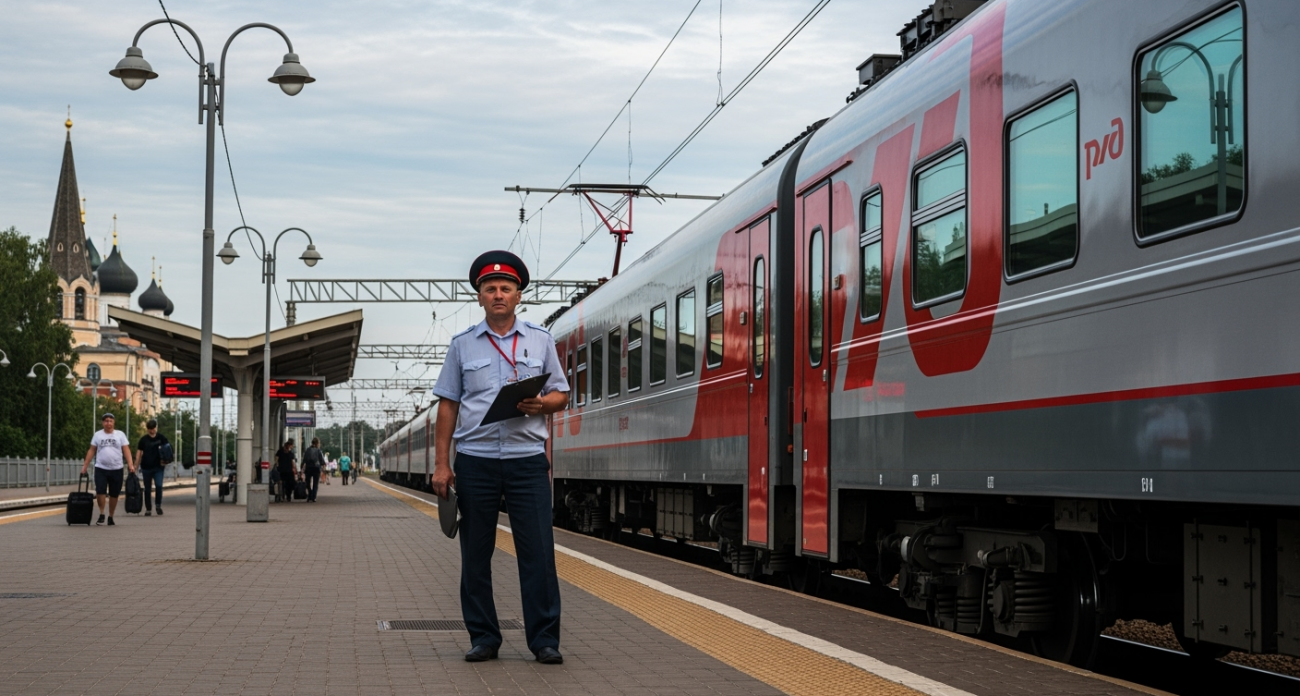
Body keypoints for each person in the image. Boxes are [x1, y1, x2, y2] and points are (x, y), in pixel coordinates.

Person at [432, 250, 569, 665]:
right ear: (479, 297)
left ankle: (544, 640)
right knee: (476, 554)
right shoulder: (461, 346)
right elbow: (448, 407)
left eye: (505, 288)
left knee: (539, 554)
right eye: (489, 288)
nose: (497, 294)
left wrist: (543, 405)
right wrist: (442, 464)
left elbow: (562, 393)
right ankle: (484, 638)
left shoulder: (541, 340)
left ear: (518, 295)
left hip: (527, 460)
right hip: (476, 461)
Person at [80, 413, 135, 526]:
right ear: (102, 423)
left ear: (113, 422)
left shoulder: (120, 435)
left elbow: (126, 450)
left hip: (117, 468)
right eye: (106, 421)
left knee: (114, 494)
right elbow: (92, 450)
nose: (108, 423)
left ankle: (111, 516)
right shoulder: (98, 435)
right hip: (101, 468)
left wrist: (130, 464)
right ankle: (101, 514)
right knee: (100, 491)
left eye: (110, 421)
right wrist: (85, 465)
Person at [134, 419, 171, 516]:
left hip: (158, 467)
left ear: (156, 427)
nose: (152, 431)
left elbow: (168, 450)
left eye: (153, 428)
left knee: (159, 486)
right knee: (147, 488)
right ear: (147, 429)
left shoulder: (161, 438)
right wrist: (135, 466)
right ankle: (148, 509)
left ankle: (158, 505)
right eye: (150, 429)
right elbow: (139, 453)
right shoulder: (143, 440)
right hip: (146, 467)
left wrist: (167, 460)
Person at [303, 437, 324, 502]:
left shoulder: (307, 450)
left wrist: (302, 467)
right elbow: (321, 460)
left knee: (308, 482)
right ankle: (314, 497)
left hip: (308, 468)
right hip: (316, 468)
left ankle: (310, 494)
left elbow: (304, 459)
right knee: (315, 483)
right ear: (317, 443)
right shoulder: (318, 450)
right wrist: (323, 467)